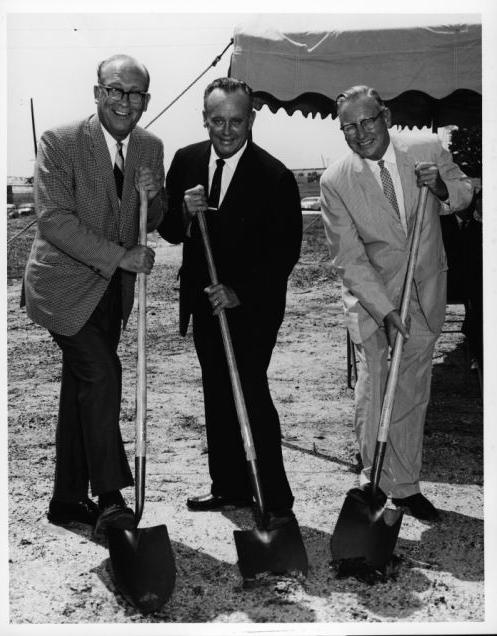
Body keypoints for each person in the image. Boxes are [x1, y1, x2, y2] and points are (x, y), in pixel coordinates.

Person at [21, 54, 165, 540]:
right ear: (98, 92)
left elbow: (156, 216)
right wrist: (121, 257)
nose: (126, 102)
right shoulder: (60, 141)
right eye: (117, 91)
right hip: (62, 287)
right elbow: (54, 220)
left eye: (137, 94)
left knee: (82, 388)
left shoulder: (150, 146)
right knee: (102, 372)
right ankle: (110, 496)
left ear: (146, 99)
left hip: (111, 294)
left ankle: (65, 501)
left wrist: (154, 196)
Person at [320, 85, 473, 522]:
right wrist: (384, 310)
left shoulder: (425, 147)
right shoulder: (336, 181)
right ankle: (373, 481)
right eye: (348, 126)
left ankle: (404, 487)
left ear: (385, 115)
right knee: (374, 392)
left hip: (424, 293)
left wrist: (442, 187)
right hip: (374, 302)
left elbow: (463, 194)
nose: (360, 132)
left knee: (411, 392)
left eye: (368, 120)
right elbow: (348, 257)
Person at [158, 77, 302, 528]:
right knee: (217, 390)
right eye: (217, 120)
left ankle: (274, 496)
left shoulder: (274, 175)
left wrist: (239, 289)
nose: (226, 130)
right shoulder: (186, 161)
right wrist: (183, 212)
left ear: (251, 119)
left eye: (236, 121)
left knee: (250, 389)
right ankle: (228, 487)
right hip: (204, 301)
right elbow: (166, 229)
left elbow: (285, 252)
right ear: (205, 118)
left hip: (253, 305)